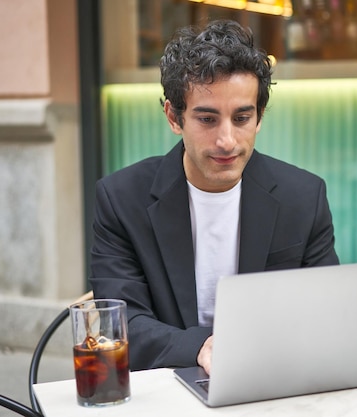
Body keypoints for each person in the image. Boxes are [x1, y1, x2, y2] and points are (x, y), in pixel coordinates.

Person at [90, 19, 339, 374]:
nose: (227, 141)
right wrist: (200, 348)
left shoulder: (304, 197)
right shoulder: (121, 199)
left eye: (241, 118)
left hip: (272, 379)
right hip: (169, 383)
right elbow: (121, 323)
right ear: (173, 117)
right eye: (207, 120)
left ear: (259, 117)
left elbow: (326, 310)